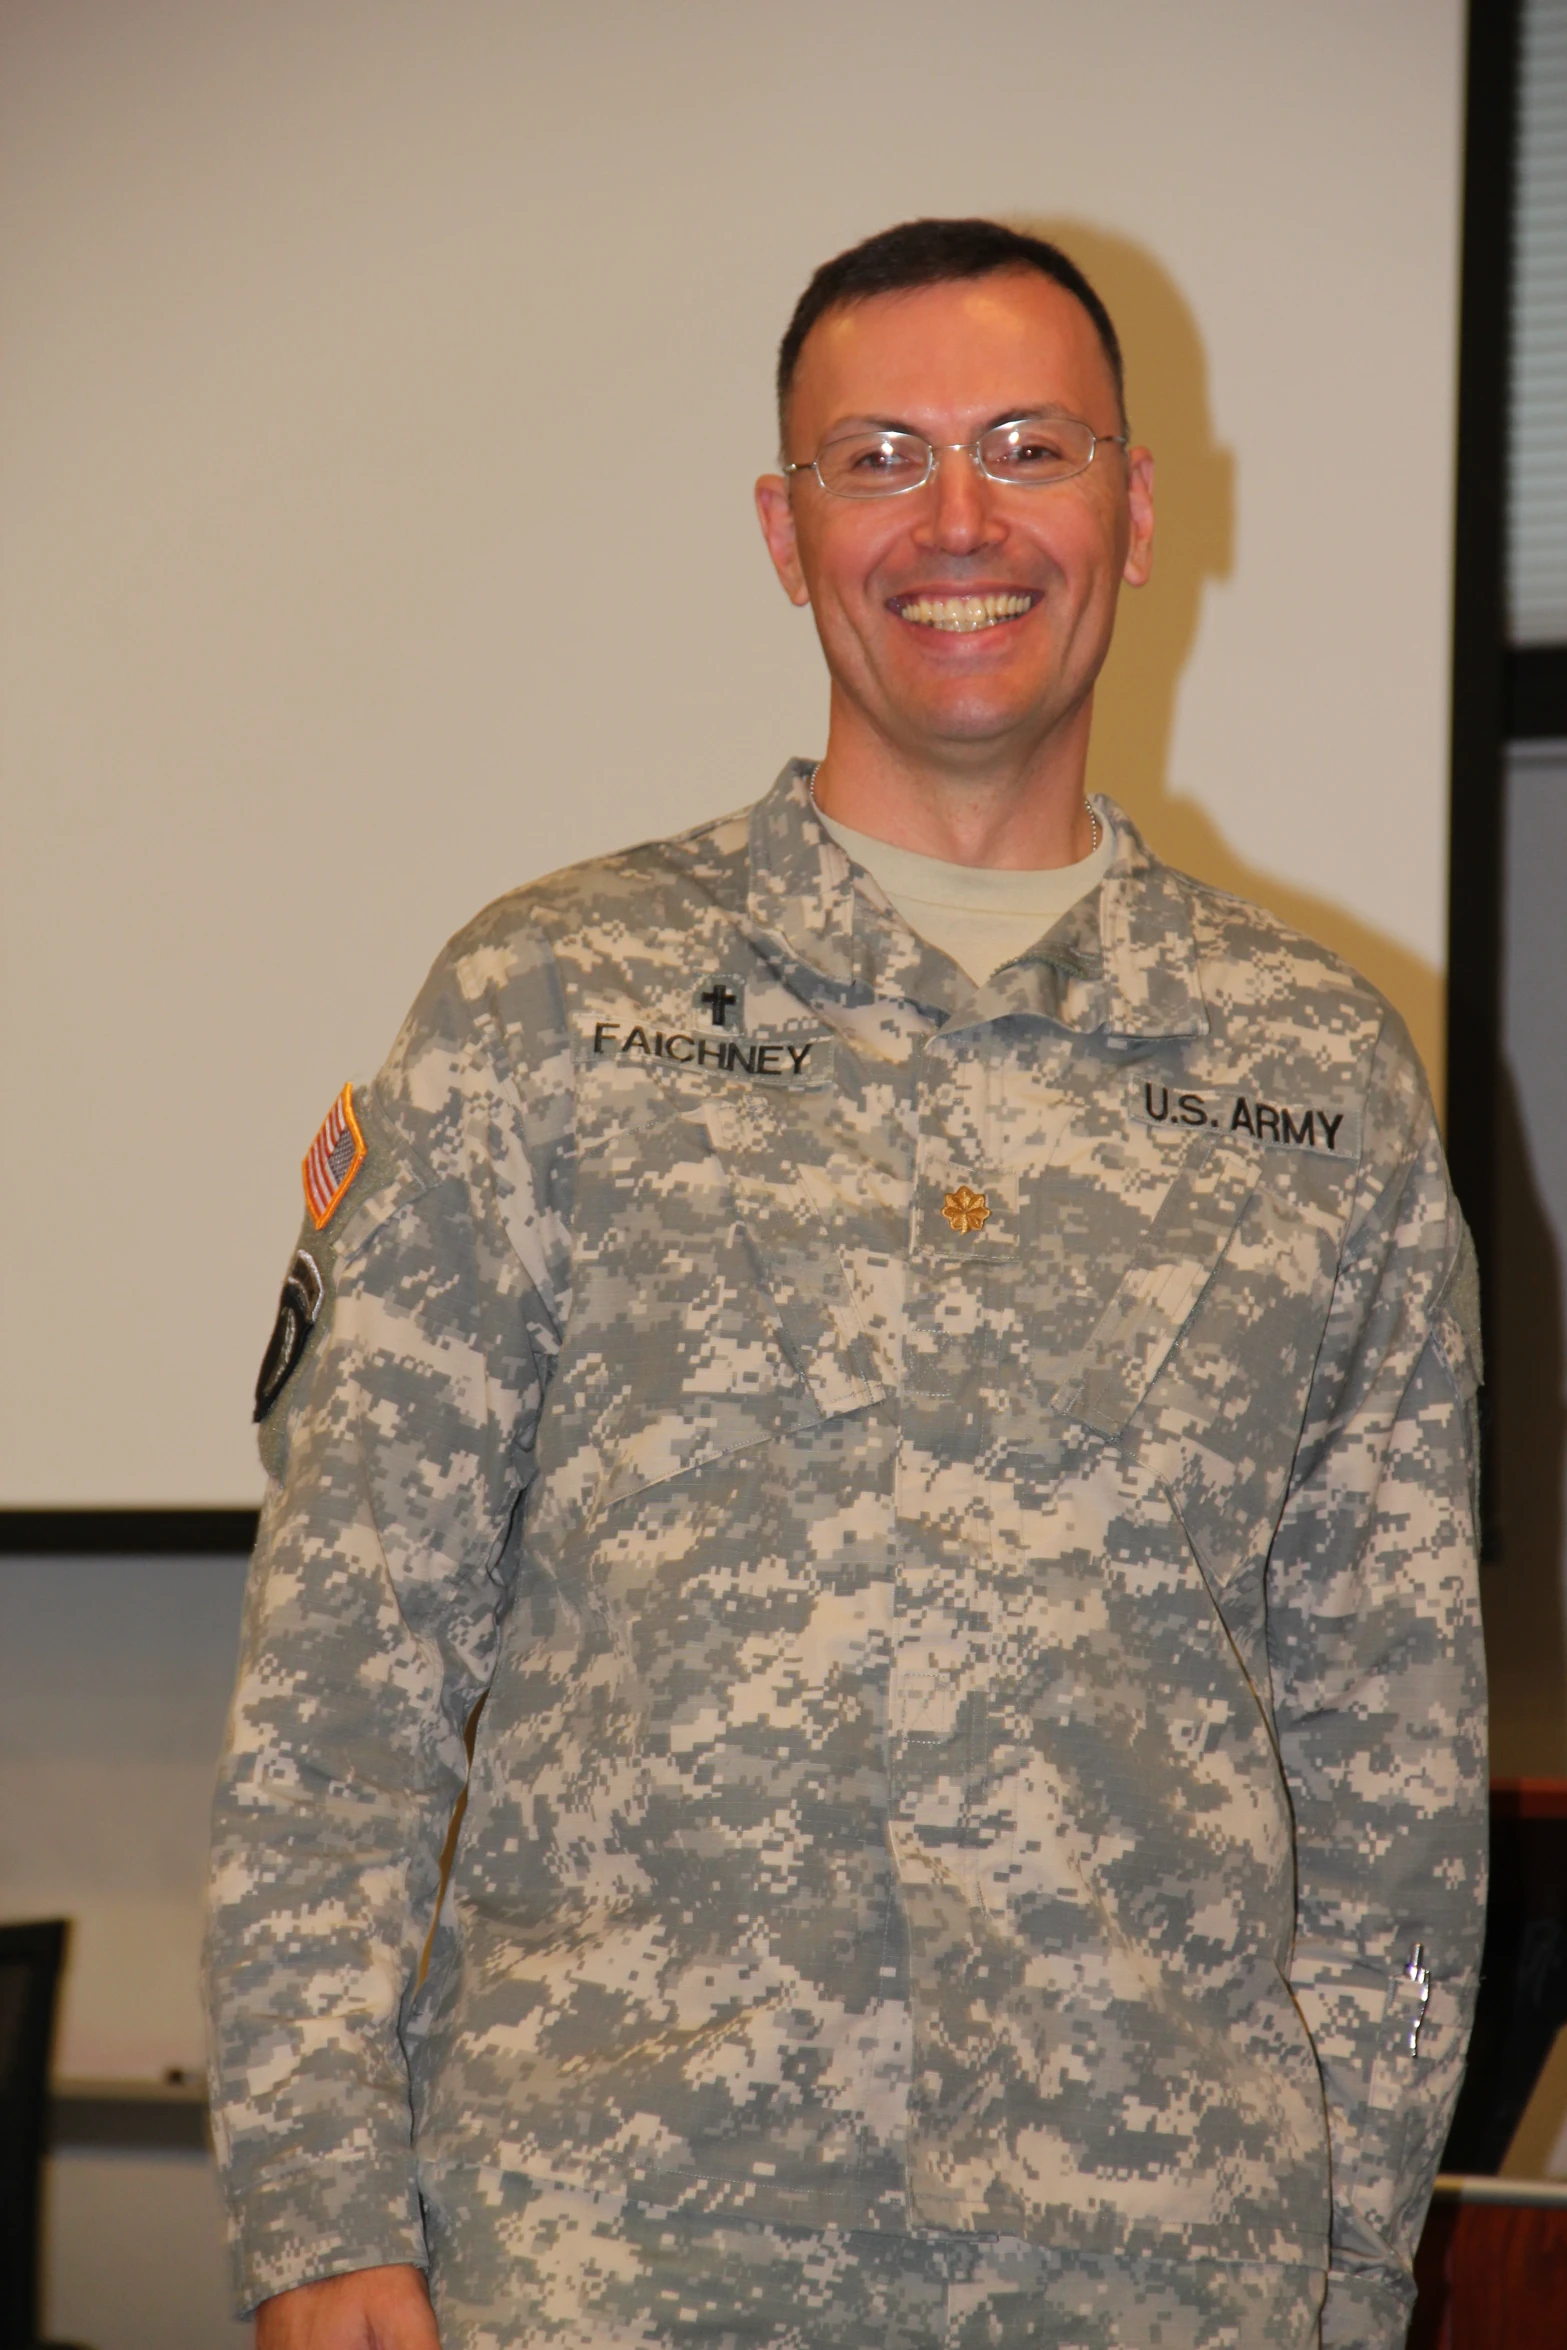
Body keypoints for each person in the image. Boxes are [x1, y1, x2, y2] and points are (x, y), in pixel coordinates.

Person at [205, 218, 1486, 2350]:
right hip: (606, 2265)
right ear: (786, 532)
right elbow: (343, 1668)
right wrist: (324, 2218)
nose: (958, 520)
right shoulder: (550, 1007)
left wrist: (1349, 2272)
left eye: (1026, 447)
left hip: (1165, 2274)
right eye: (877, 457)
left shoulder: (1318, 1077)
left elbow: (1391, 1767)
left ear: (1137, 507)